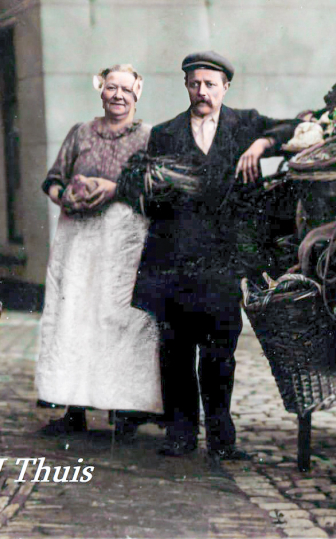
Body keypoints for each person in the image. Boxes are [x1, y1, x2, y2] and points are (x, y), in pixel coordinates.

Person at [131, 51, 298, 461]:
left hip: (223, 261)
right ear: (186, 86)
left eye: (210, 84)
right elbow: (147, 195)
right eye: (194, 84)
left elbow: (298, 124)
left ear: (226, 86)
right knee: (175, 351)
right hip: (175, 259)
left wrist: (260, 144)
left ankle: (223, 439)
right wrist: (157, 187)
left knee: (221, 353)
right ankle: (180, 434)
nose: (202, 92)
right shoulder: (166, 133)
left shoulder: (244, 125)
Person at [36, 64, 162, 438]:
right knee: (74, 314)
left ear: (137, 92)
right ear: (100, 90)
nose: (118, 96)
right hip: (79, 239)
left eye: (126, 89)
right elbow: (53, 179)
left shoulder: (149, 137)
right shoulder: (80, 133)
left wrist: (114, 188)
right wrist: (66, 196)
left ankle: (125, 409)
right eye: (111, 88)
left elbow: (154, 186)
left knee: (121, 318)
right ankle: (72, 407)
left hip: (124, 241)